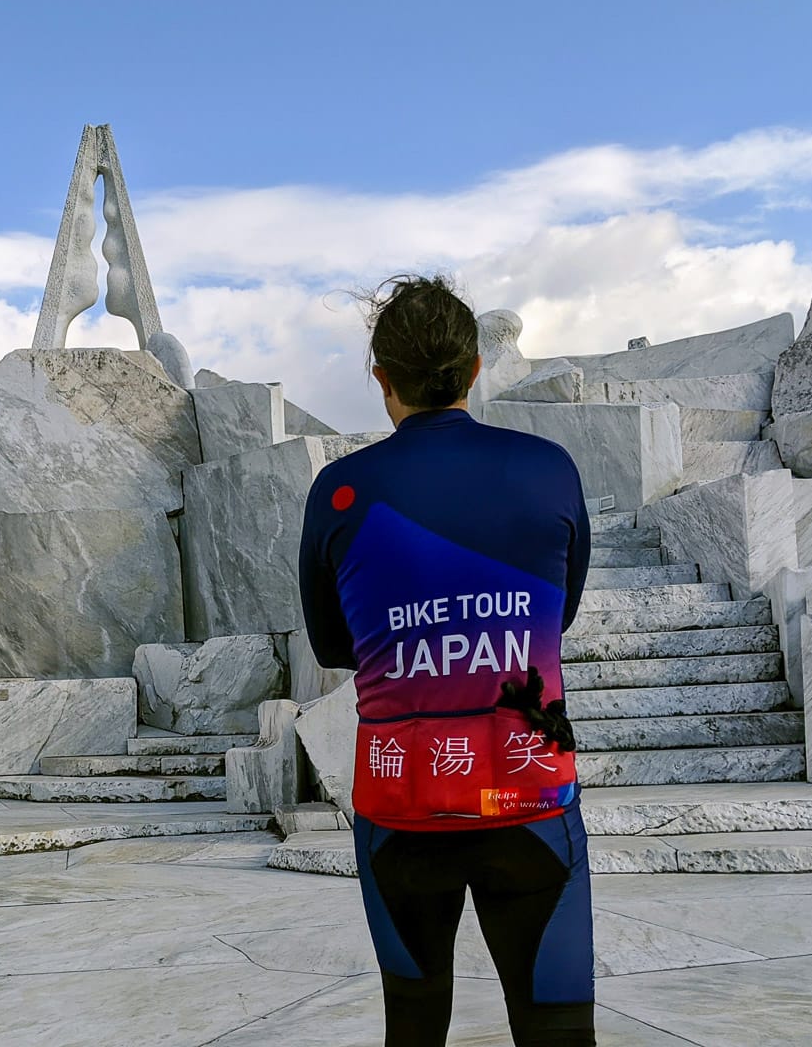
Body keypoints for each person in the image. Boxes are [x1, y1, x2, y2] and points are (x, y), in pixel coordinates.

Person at [297, 275, 595, 1047]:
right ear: (472, 371)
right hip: (531, 790)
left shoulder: (341, 492)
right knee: (557, 1025)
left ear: (381, 379)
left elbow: (335, 649)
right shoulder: (548, 470)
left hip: (401, 802)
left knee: (415, 1025)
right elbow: (555, 618)